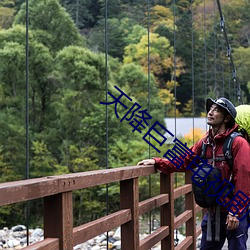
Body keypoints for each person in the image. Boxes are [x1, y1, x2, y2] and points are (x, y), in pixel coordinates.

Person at [137, 97, 250, 250]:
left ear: (227, 118)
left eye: (216, 110)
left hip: (233, 212)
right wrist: (157, 162)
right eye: (210, 109)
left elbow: (244, 178)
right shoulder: (205, 143)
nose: (210, 112)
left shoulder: (238, 143)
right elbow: (185, 160)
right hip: (213, 212)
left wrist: (235, 212)